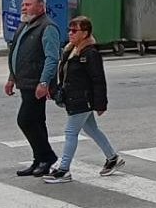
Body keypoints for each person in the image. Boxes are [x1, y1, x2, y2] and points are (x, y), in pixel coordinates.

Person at [43, 16, 124, 184]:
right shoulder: (71, 49)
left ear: (85, 33)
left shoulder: (90, 53)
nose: (70, 34)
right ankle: (112, 158)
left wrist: (101, 104)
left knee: (71, 132)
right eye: (69, 30)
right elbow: (65, 76)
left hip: (82, 99)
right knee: (91, 129)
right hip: (74, 98)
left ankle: (64, 170)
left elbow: (98, 80)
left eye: (75, 31)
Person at [3, 0, 62, 176]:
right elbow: (16, 53)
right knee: (37, 121)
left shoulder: (47, 27)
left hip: (36, 83)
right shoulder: (26, 24)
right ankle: (40, 159)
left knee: (25, 120)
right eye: (23, 4)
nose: (23, 7)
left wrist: (44, 82)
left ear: (41, 7)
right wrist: (12, 78)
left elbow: (52, 58)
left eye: (28, 4)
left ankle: (48, 156)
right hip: (25, 82)